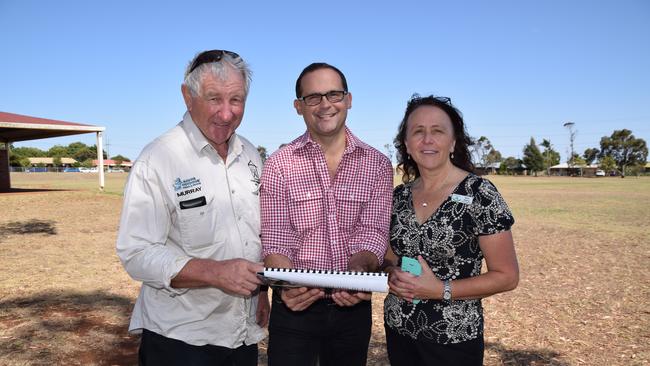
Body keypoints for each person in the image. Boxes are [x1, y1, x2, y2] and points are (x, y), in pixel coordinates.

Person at [116, 49, 269, 366]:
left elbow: (256, 235)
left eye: (236, 100)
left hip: (242, 333)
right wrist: (216, 273)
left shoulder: (251, 156)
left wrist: (261, 294)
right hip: (181, 340)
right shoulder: (159, 157)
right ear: (188, 96)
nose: (226, 114)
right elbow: (137, 252)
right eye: (214, 99)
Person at [259, 62, 393, 366]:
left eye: (334, 94)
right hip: (294, 307)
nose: (325, 105)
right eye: (313, 97)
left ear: (348, 99)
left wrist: (359, 273)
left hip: (353, 308)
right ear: (298, 106)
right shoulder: (279, 164)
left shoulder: (378, 165)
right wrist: (285, 286)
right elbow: (276, 238)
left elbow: (373, 231)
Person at [383, 94, 520, 366]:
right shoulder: (397, 197)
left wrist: (439, 289)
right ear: (407, 144)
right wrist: (391, 273)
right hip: (399, 330)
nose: (427, 139)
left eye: (438, 131)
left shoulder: (480, 194)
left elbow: (507, 277)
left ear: (453, 141)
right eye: (418, 132)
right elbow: (387, 257)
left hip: (454, 338)